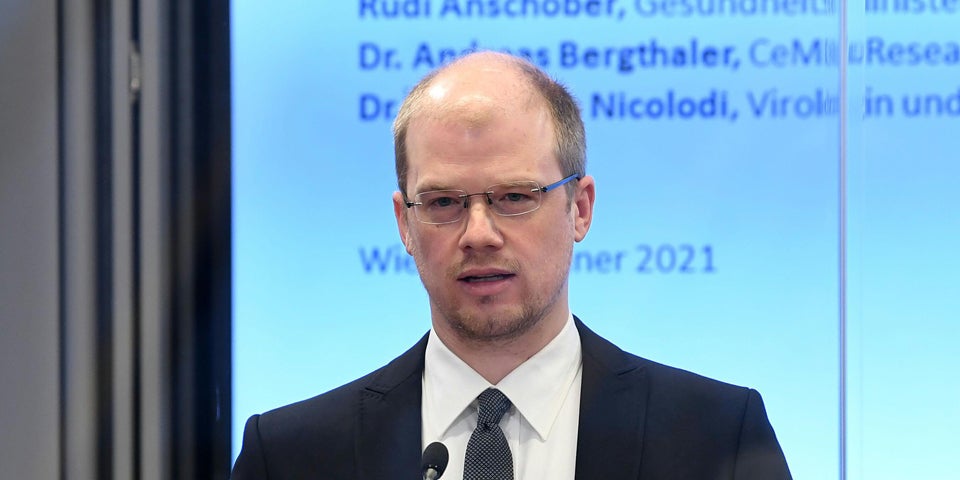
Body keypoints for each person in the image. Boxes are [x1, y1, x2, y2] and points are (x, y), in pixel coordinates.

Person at [231, 51, 792, 479]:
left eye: (515, 197)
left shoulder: (718, 438)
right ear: (404, 223)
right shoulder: (289, 455)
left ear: (580, 209)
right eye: (444, 202)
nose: (479, 234)